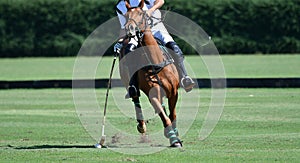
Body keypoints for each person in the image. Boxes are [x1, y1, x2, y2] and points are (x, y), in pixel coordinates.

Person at [114, 0, 195, 95]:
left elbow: (161, 1)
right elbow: (124, 28)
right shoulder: (120, 6)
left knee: (173, 47)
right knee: (128, 51)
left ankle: (184, 77)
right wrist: (119, 42)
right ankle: (133, 85)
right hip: (136, 33)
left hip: (156, 27)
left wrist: (151, 10)